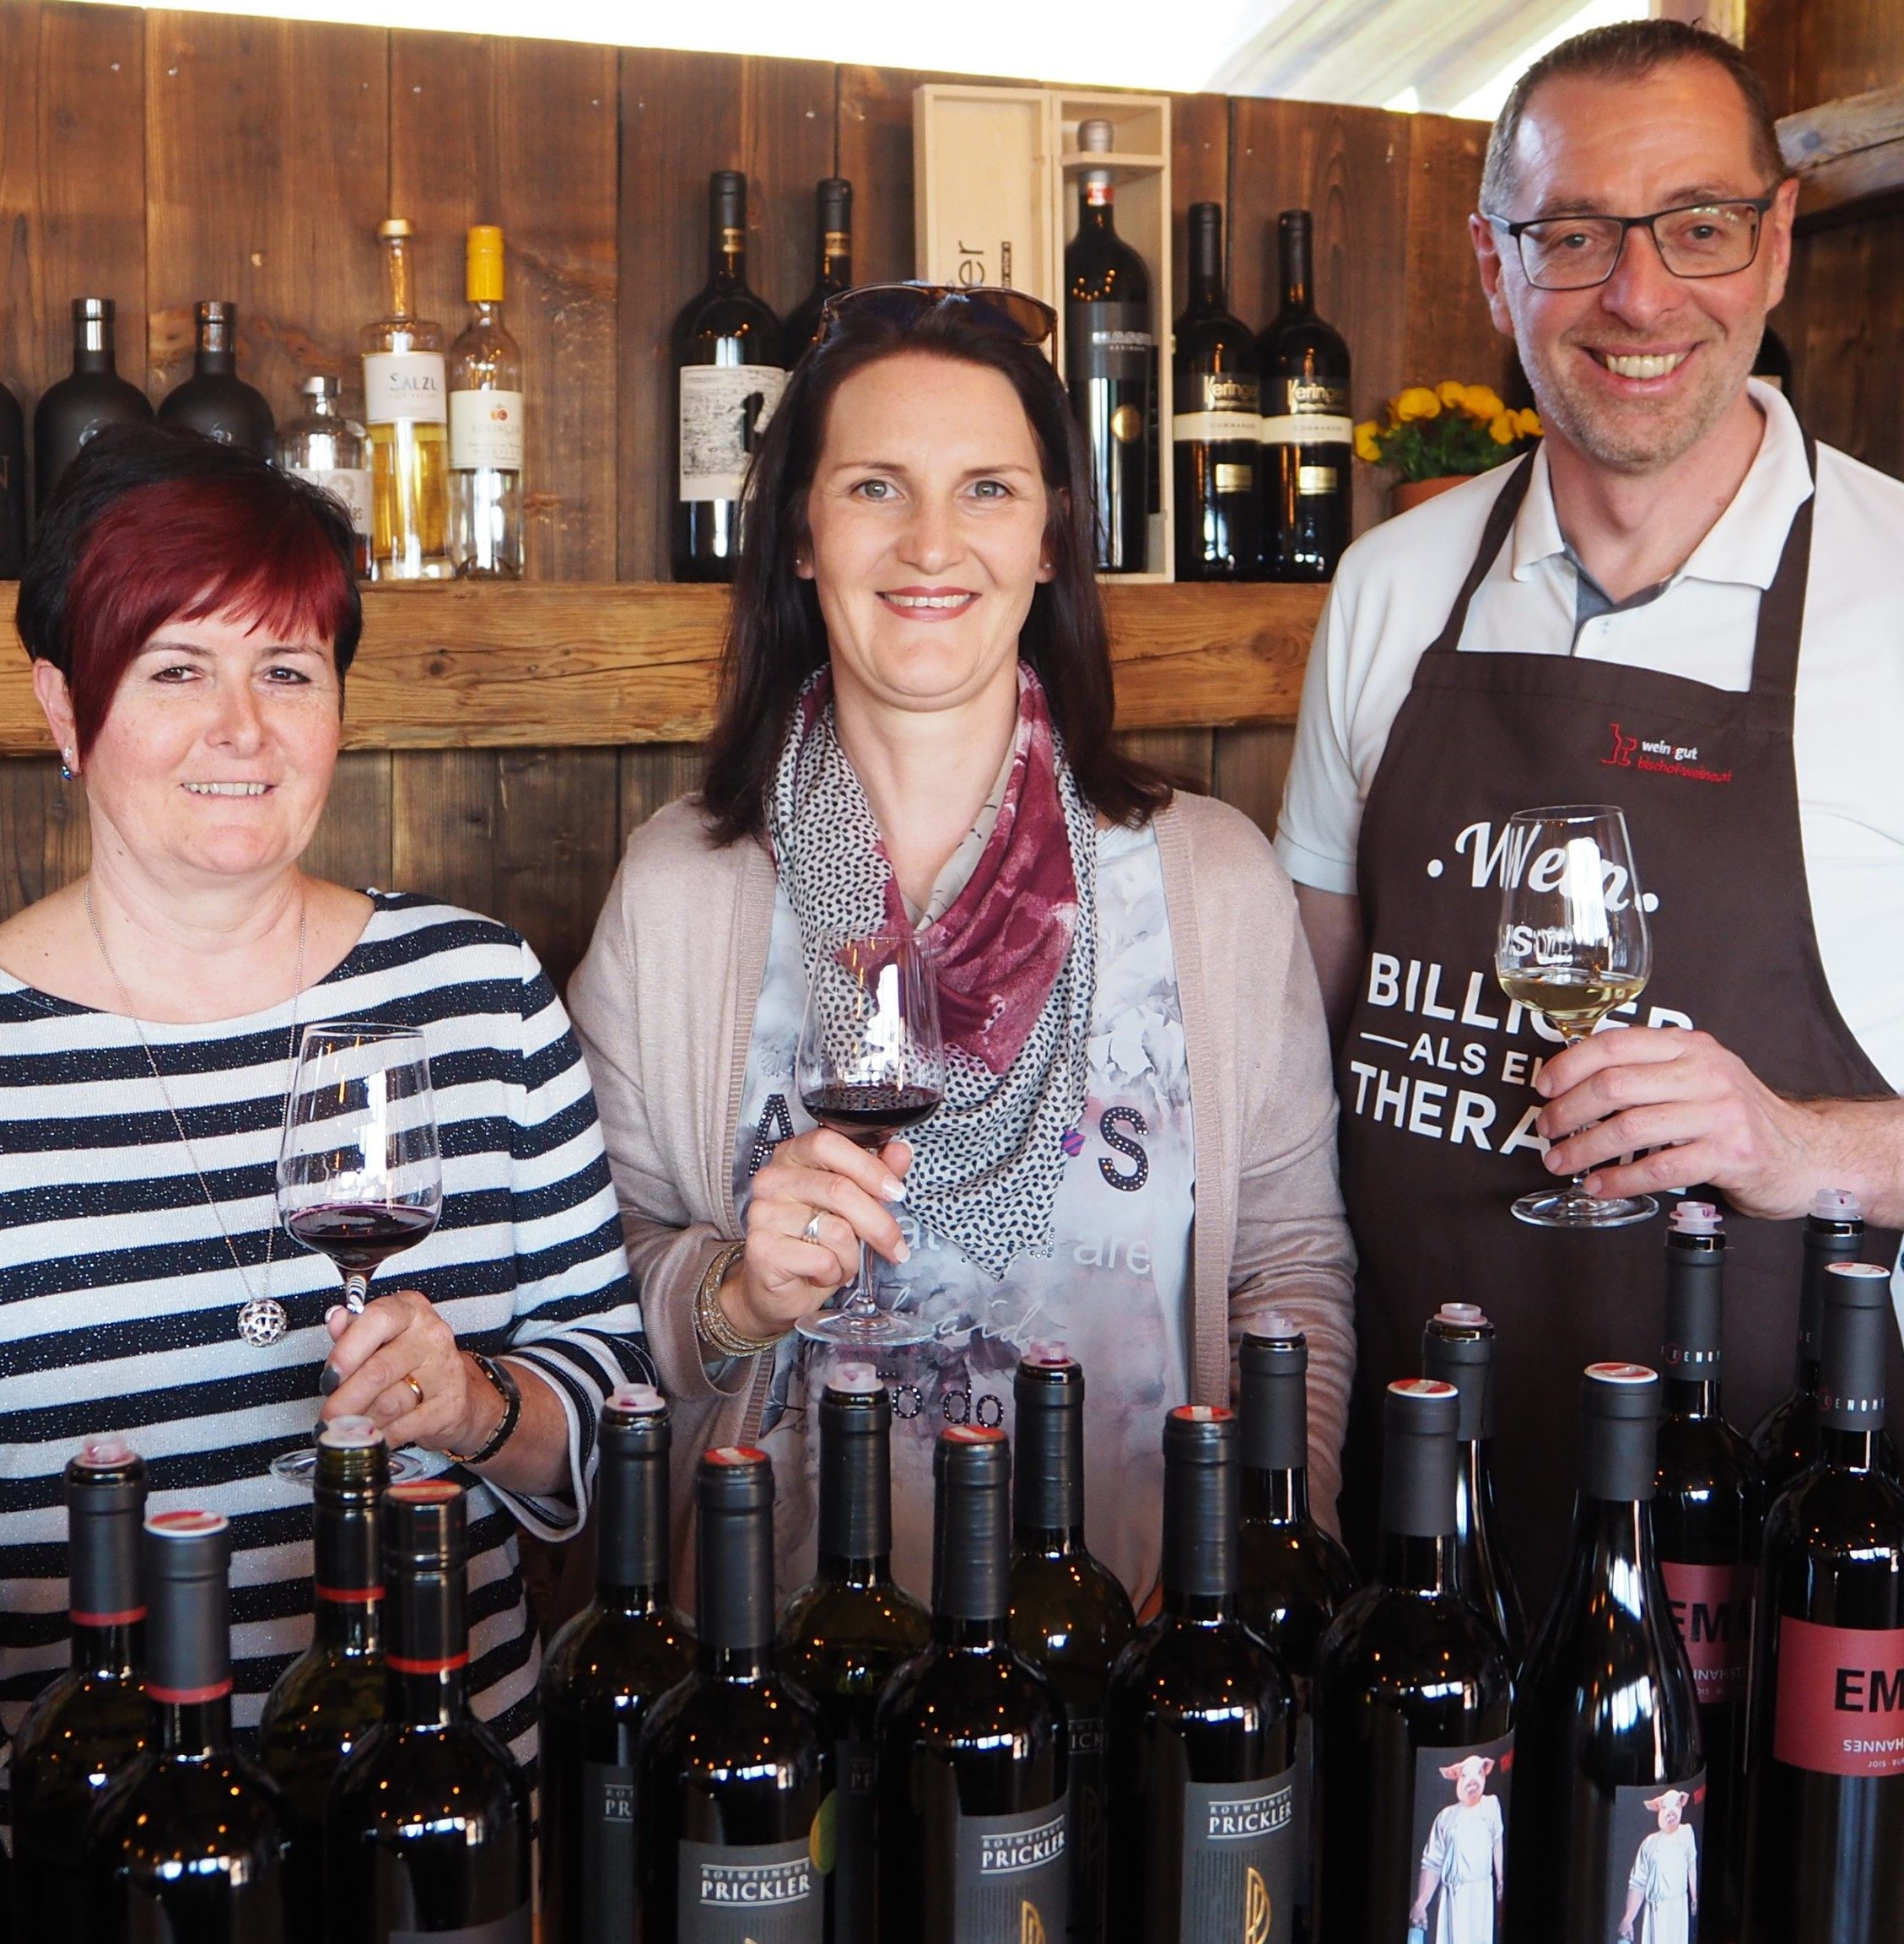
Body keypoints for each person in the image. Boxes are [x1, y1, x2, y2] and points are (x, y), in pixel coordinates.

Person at [0, 426, 648, 1794]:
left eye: (285, 670)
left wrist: (476, 1405)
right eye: (177, 669)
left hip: (446, 1834)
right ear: (66, 709)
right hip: (90, 1866)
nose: (241, 727)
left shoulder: (479, 992)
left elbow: (610, 1403)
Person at [567, 287, 1354, 1603]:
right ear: (803, 538)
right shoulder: (678, 891)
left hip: (1133, 1648)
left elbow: (1291, 1273)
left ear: (1052, 537)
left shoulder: (1211, 878)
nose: (933, 544)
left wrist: (1249, 1568)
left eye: (987, 489)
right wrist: (734, 1297)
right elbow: (603, 1278)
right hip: (784, 1664)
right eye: (876, 486)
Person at [1274, 19, 1904, 1595]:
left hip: (1774, 1521)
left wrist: (1794, 1138)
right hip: (1425, 1502)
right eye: (1572, 236)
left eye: (1695, 226)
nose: (1637, 296)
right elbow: (1305, 1055)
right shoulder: (1386, 589)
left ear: (1770, 253)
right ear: (1496, 271)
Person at [1410, 1752, 1504, 1944]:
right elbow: (1433, 1863)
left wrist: (1501, 1877)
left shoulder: (1490, 1805)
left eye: (1478, 1772)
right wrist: (1421, 1903)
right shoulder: (1446, 1817)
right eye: (1465, 1775)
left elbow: (1497, 1841)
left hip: (1480, 1893)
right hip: (1454, 1897)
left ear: (1485, 1773)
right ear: (1456, 1776)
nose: (1472, 1781)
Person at [1618, 1790, 1698, 1944]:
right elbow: (1638, 1883)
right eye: (1665, 1807)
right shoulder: (1649, 1843)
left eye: (1676, 1805)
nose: (1671, 1813)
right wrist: (1628, 1919)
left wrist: (1694, 1897)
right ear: (1658, 1808)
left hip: (1677, 1908)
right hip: (1654, 1910)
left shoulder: (1686, 1832)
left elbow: (1691, 1863)